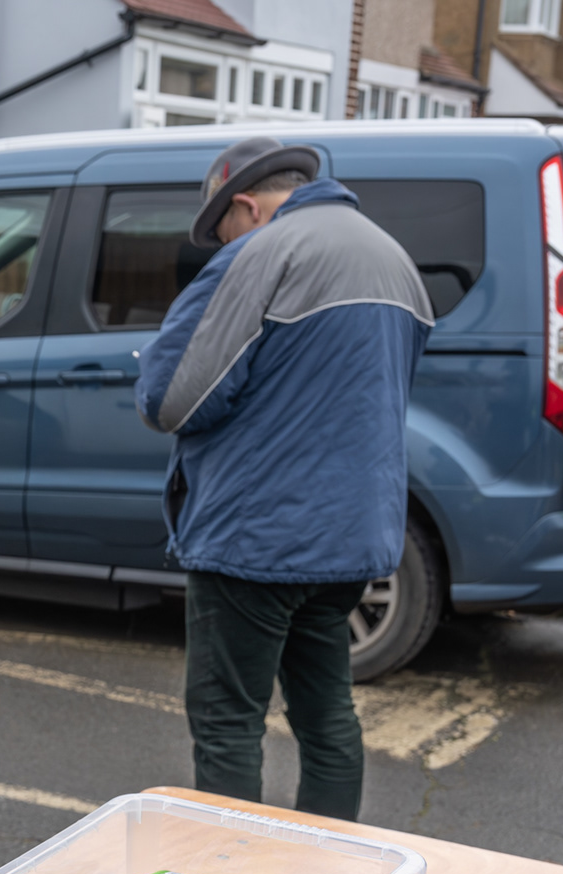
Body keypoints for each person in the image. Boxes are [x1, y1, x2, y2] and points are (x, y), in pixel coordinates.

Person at [135, 136, 432, 820]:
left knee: (228, 720)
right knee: (326, 713)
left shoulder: (263, 253)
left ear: (245, 205)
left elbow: (172, 398)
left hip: (257, 536)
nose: (223, 244)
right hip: (353, 538)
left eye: (223, 230)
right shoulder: (393, 259)